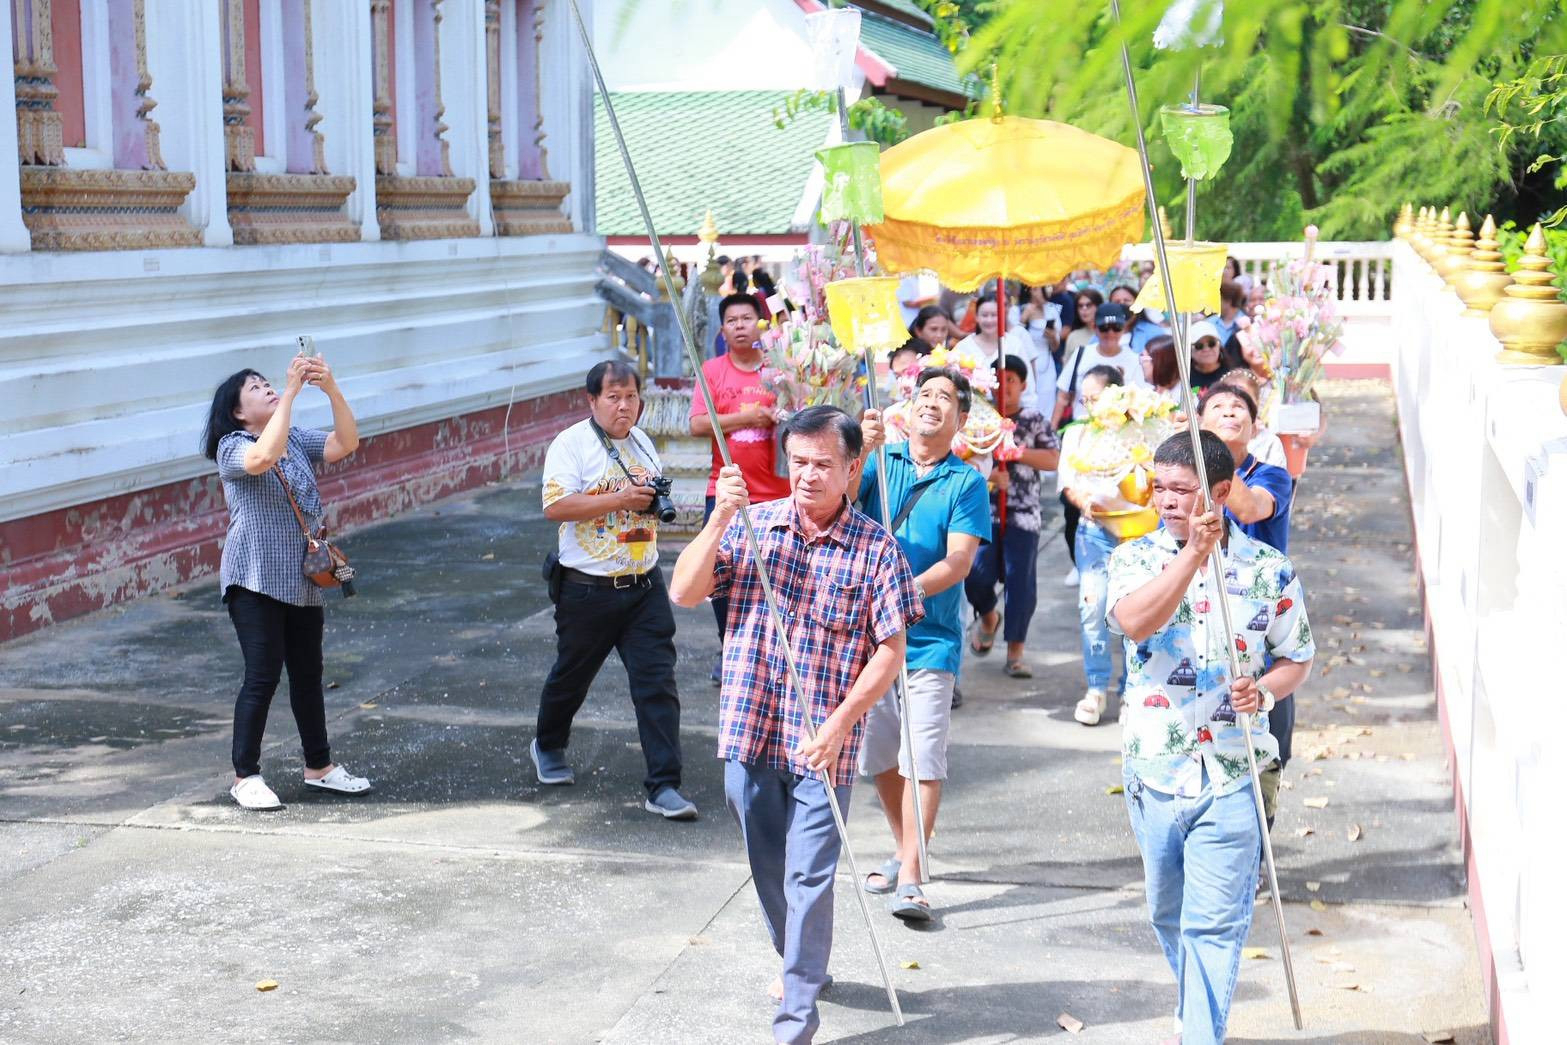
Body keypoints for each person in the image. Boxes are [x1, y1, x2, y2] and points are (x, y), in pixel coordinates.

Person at [669, 406, 923, 1045]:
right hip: (750, 728)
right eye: (799, 463)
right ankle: (799, 959)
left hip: (823, 747)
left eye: (823, 465)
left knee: (809, 874)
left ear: (851, 469)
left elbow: (889, 652)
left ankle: (795, 1021)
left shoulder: (876, 549)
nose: (808, 476)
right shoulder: (754, 526)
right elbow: (685, 591)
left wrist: (840, 724)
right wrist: (721, 516)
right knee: (768, 862)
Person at [1108, 430, 1315, 1045]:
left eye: (1182, 489)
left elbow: (1296, 656)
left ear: (1221, 494)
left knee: (1215, 927)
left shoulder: (1269, 570)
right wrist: (1191, 559)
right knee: (1167, 913)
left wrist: (1268, 691)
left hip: (1235, 773)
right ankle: (1197, 1008)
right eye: (1160, 487)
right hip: (1157, 770)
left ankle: (1201, 1033)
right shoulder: (1135, 559)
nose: (1166, 500)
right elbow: (1134, 621)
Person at [203, 353, 370, 811]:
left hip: (301, 575)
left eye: (267, 383)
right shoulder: (232, 445)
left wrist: (331, 388)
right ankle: (245, 776)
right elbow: (262, 457)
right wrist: (292, 393)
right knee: (262, 676)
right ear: (238, 411)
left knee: (309, 675)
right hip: (253, 575)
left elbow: (345, 443)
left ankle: (319, 767)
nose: (269, 388)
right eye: (256, 389)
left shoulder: (293, 436)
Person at [530, 361, 695, 819]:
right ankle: (548, 743)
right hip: (587, 590)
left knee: (657, 683)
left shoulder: (643, 442)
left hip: (644, 585)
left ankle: (664, 785)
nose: (624, 406)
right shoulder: (572, 444)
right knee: (572, 676)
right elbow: (556, 507)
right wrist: (622, 498)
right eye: (613, 397)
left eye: (631, 397)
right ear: (592, 401)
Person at [856, 367, 989, 922]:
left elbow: (959, 560)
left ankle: (912, 875)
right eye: (924, 394)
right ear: (906, 409)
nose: (933, 403)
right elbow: (832, 500)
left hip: (929, 637)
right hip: (864, 635)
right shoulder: (877, 463)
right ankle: (903, 848)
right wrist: (860, 448)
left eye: (947, 399)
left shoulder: (966, 482)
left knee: (923, 754)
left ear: (960, 420)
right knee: (878, 755)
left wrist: (903, 590)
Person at [691, 293, 793, 683]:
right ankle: (729, 647)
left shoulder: (781, 368)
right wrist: (747, 416)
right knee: (720, 577)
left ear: (760, 324)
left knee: (779, 578)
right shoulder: (712, 370)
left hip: (778, 492)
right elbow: (698, 424)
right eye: (731, 320)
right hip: (726, 492)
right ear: (722, 330)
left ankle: (776, 652)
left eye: (747, 318)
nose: (739, 326)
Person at [965, 355, 1061, 677]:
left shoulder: (1033, 419)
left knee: (1021, 584)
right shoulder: (978, 418)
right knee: (974, 574)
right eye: (999, 379)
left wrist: (1015, 453)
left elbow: (1053, 459)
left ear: (1022, 385)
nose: (1004, 387)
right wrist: (992, 475)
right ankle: (989, 615)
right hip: (983, 511)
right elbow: (960, 459)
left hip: (1024, 513)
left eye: (1011, 380)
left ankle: (1015, 652)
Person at [1058, 365, 1137, 726]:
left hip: (1136, 534)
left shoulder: (1140, 428)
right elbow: (1067, 482)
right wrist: (1085, 503)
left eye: (1096, 397)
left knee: (1136, 612)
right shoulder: (1077, 434)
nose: (1088, 405)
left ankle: (1132, 689)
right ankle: (1096, 687)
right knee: (1093, 607)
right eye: (1084, 398)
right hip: (1093, 532)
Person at [1052, 301, 1147, 429]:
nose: (1110, 333)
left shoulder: (1134, 360)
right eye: (1104, 328)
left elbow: (1139, 401)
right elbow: (1063, 396)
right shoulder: (1081, 353)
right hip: (1081, 429)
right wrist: (1052, 430)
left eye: (1116, 327)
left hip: (1119, 432)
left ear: (1124, 328)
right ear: (1094, 327)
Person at [953, 293, 1047, 410]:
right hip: (973, 415)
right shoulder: (962, 347)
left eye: (994, 315)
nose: (989, 320)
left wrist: (1029, 412)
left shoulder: (1014, 344)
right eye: (984, 315)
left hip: (1009, 414)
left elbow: (1027, 385)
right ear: (976, 317)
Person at [1111, 284, 1169, 354]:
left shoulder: (1153, 332)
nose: (1122, 304)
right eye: (1117, 302)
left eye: (1126, 300)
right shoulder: (1101, 334)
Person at [1184, 318, 1233, 392]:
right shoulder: (1183, 377)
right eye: (1199, 346)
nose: (1206, 349)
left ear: (1219, 346)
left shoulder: (1233, 375)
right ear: (1189, 351)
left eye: (1211, 344)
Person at [1061, 288, 1104, 364]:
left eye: (1088, 305)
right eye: (1080, 306)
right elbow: (1067, 368)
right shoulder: (1073, 336)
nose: (1084, 309)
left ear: (1099, 306)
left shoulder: (1110, 333)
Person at [1140, 333, 1183, 405]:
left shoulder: (1183, 400)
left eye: (1144, 358)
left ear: (1160, 362)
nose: (1141, 363)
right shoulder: (1146, 392)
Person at [1208, 280, 1247, 347]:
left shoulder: (1247, 323)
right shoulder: (1209, 323)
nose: (1214, 303)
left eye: (1218, 299)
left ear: (1228, 301)